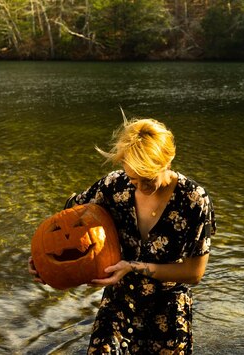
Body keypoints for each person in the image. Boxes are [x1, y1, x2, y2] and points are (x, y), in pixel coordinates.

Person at [29, 115, 216, 354]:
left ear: (168, 160)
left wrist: (133, 266)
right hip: (120, 299)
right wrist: (42, 260)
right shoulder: (114, 187)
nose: (141, 187)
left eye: (148, 179)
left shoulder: (194, 200)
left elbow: (194, 273)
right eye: (133, 178)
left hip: (169, 306)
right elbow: (63, 225)